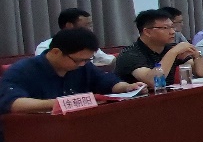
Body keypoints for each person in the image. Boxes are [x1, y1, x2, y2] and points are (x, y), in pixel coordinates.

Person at [1, 29, 147, 123]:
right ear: (56, 52)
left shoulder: (82, 66)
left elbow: (106, 81)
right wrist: (63, 103)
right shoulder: (22, 70)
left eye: (87, 60)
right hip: (36, 130)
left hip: (75, 126)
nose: (82, 64)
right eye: (78, 60)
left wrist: (127, 87)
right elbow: (14, 103)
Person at [115, 9, 203, 87]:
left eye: (172, 27)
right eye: (165, 28)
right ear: (147, 32)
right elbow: (154, 81)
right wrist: (173, 52)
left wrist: (197, 55)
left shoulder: (170, 48)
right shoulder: (130, 54)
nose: (173, 32)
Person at [33, 8, 115, 67]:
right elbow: (46, 68)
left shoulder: (88, 45)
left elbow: (109, 60)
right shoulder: (45, 47)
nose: (90, 29)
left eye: (91, 25)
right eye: (86, 25)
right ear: (69, 26)